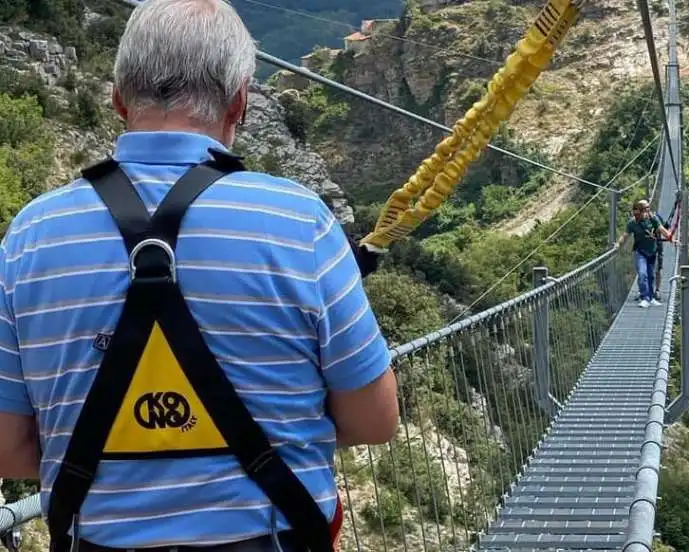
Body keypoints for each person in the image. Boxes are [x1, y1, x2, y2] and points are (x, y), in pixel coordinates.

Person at [0, 2, 398, 552]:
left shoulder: (30, 235)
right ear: (239, 101)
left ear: (117, 98)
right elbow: (374, 421)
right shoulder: (299, 220)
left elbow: (10, 447)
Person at [614, 199, 673, 308]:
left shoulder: (653, 219)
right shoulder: (632, 223)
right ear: (639, 211)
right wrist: (618, 244)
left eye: (648, 209)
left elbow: (662, 229)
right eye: (645, 209)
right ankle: (645, 297)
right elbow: (625, 235)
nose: (648, 211)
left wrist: (671, 239)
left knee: (650, 276)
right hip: (640, 252)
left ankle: (650, 298)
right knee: (642, 274)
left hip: (652, 252)